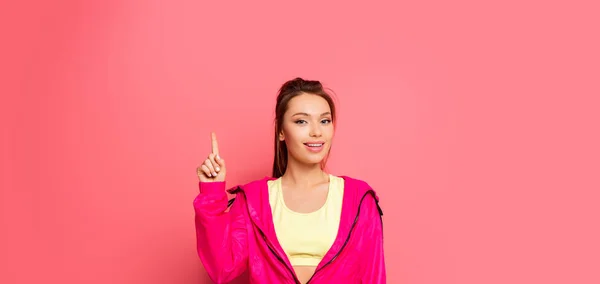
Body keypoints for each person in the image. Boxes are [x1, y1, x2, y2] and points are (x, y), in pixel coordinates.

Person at [193, 78, 386, 284]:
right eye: (301, 121)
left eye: (324, 120)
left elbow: (373, 277)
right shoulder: (253, 200)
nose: (316, 131)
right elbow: (222, 267)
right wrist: (211, 193)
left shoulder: (358, 198)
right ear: (281, 131)